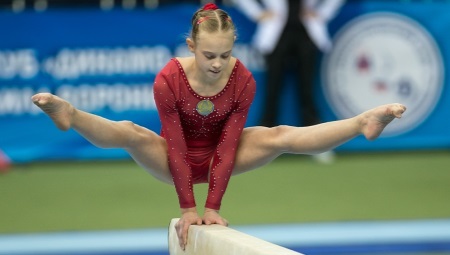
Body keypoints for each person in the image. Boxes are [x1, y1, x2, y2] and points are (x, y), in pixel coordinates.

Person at [31, 3, 406, 251]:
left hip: (219, 156)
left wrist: (213, 206)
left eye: (225, 55)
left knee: (278, 136)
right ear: (192, 46)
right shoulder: (169, 79)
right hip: (170, 158)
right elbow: (175, 144)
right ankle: (72, 115)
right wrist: (188, 208)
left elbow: (227, 146)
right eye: (209, 55)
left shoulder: (242, 80)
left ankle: (362, 121)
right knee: (130, 131)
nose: (216, 64)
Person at [232, 0, 345, 163]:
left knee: (307, 90)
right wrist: (257, 13)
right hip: (275, 35)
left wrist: (323, 13)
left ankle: (317, 145)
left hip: (307, 33)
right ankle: (262, 146)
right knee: (272, 90)